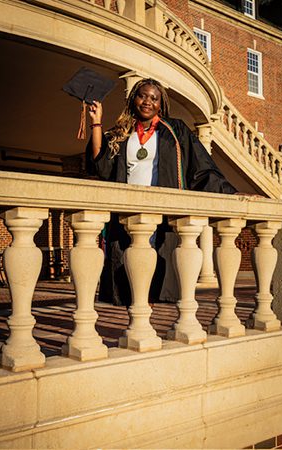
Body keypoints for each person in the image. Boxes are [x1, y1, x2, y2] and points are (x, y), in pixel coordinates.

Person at [86, 78, 236, 306]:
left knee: (155, 269)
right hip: (128, 210)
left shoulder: (174, 131)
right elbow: (101, 164)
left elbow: (202, 168)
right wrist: (96, 123)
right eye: (142, 96)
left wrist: (232, 195)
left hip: (161, 213)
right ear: (133, 99)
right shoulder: (123, 132)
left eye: (153, 98)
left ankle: (148, 311)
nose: (147, 101)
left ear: (161, 104)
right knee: (130, 269)